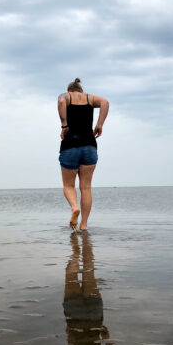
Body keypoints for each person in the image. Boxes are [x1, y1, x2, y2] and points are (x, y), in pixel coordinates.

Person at [58, 78, 109, 231]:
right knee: (86, 188)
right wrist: (99, 124)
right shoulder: (90, 98)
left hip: (70, 145)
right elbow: (105, 102)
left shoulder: (66, 97)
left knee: (68, 185)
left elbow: (61, 102)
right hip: (89, 146)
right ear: (81, 91)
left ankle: (74, 208)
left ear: (69, 91)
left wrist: (64, 125)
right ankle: (84, 225)